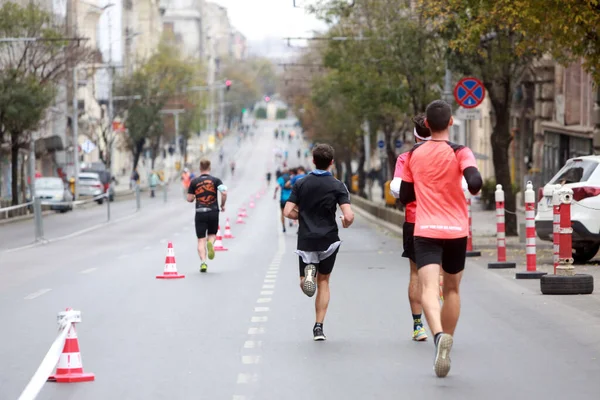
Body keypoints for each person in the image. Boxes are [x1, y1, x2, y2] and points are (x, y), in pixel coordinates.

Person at [399, 100, 482, 378]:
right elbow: (475, 181)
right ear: (450, 122)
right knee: (453, 290)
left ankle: (437, 337)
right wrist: (465, 183)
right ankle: (448, 337)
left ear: (426, 125)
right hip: (456, 231)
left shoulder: (413, 155)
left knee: (428, 288)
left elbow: (406, 195)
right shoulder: (460, 151)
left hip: (425, 230)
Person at [283, 143, 354, 341]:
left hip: (306, 239)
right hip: (328, 239)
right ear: (331, 162)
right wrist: (345, 223)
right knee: (324, 281)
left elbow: (287, 211)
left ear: (313, 161)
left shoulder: (301, 183)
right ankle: (318, 327)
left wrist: (303, 215)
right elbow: (348, 215)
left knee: (305, 283)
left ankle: (307, 275)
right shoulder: (338, 186)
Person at [390, 114, 431, 342]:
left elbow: (396, 189)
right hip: (443, 221)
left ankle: (418, 326)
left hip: (415, 220)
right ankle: (441, 318)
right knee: (441, 272)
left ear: (415, 136)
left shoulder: (406, 158)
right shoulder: (448, 154)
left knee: (415, 272)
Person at [187, 159, 228, 273]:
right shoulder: (216, 181)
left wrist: (195, 197)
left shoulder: (194, 182)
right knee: (212, 235)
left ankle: (203, 262)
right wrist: (222, 204)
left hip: (200, 212)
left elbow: (189, 199)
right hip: (213, 211)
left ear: (200, 168)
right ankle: (210, 243)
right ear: (210, 168)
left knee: (200, 240)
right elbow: (224, 193)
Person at [273, 168, 292, 233]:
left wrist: (275, 194)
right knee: (291, 211)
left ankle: (283, 227)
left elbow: (277, 187)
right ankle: (290, 221)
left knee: (282, 213)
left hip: (283, 199)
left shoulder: (281, 178)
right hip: (290, 199)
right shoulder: (291, 178)